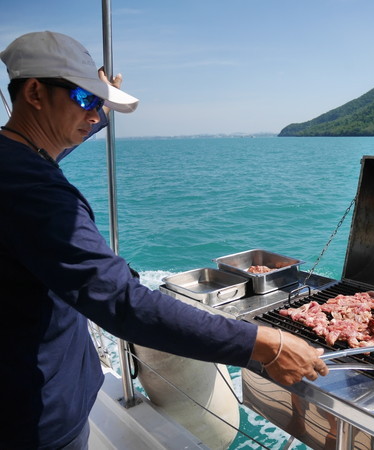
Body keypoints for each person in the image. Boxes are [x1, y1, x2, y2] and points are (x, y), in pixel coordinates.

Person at [0, 31, 329, 449]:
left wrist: (95, 108)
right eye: (86, 100)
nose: (95, 114)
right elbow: (122, 302)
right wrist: (263, 344)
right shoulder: (33, 189)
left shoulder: (13, 161)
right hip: (37, 419)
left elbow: (42, 156)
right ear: (34, 92)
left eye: (99, 105)